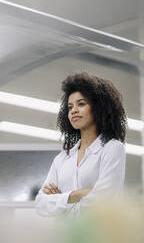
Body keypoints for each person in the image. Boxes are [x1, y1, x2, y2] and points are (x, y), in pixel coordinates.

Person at [35, 72, 127, 217]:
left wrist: (61, 202)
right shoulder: (62, 158)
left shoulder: (112, 149)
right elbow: (41, 204)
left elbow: (104, 201)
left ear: (98, 107)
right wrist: (77, 195)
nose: (74, 111)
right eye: (70, 107)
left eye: (81, 104)